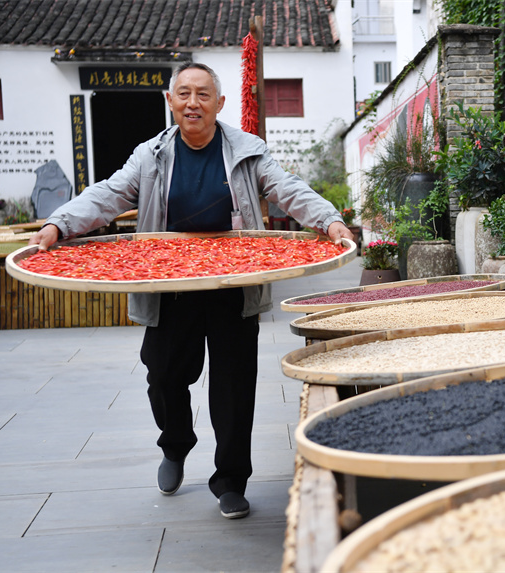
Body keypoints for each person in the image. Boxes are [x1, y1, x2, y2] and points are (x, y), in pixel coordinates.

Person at [30, 62, 354, 519]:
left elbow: (287, 189)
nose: (192, 103)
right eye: (183, 93)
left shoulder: (245, 151)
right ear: (170, 101)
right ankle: (176, 444)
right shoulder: (151, 155)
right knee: (162, 376)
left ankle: (231, 480)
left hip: (232, 285)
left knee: (234, 388)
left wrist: (329, 219)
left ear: (220, 104)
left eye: (203, 94)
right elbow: (107, 194)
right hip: (170, 286)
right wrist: (57, 224)